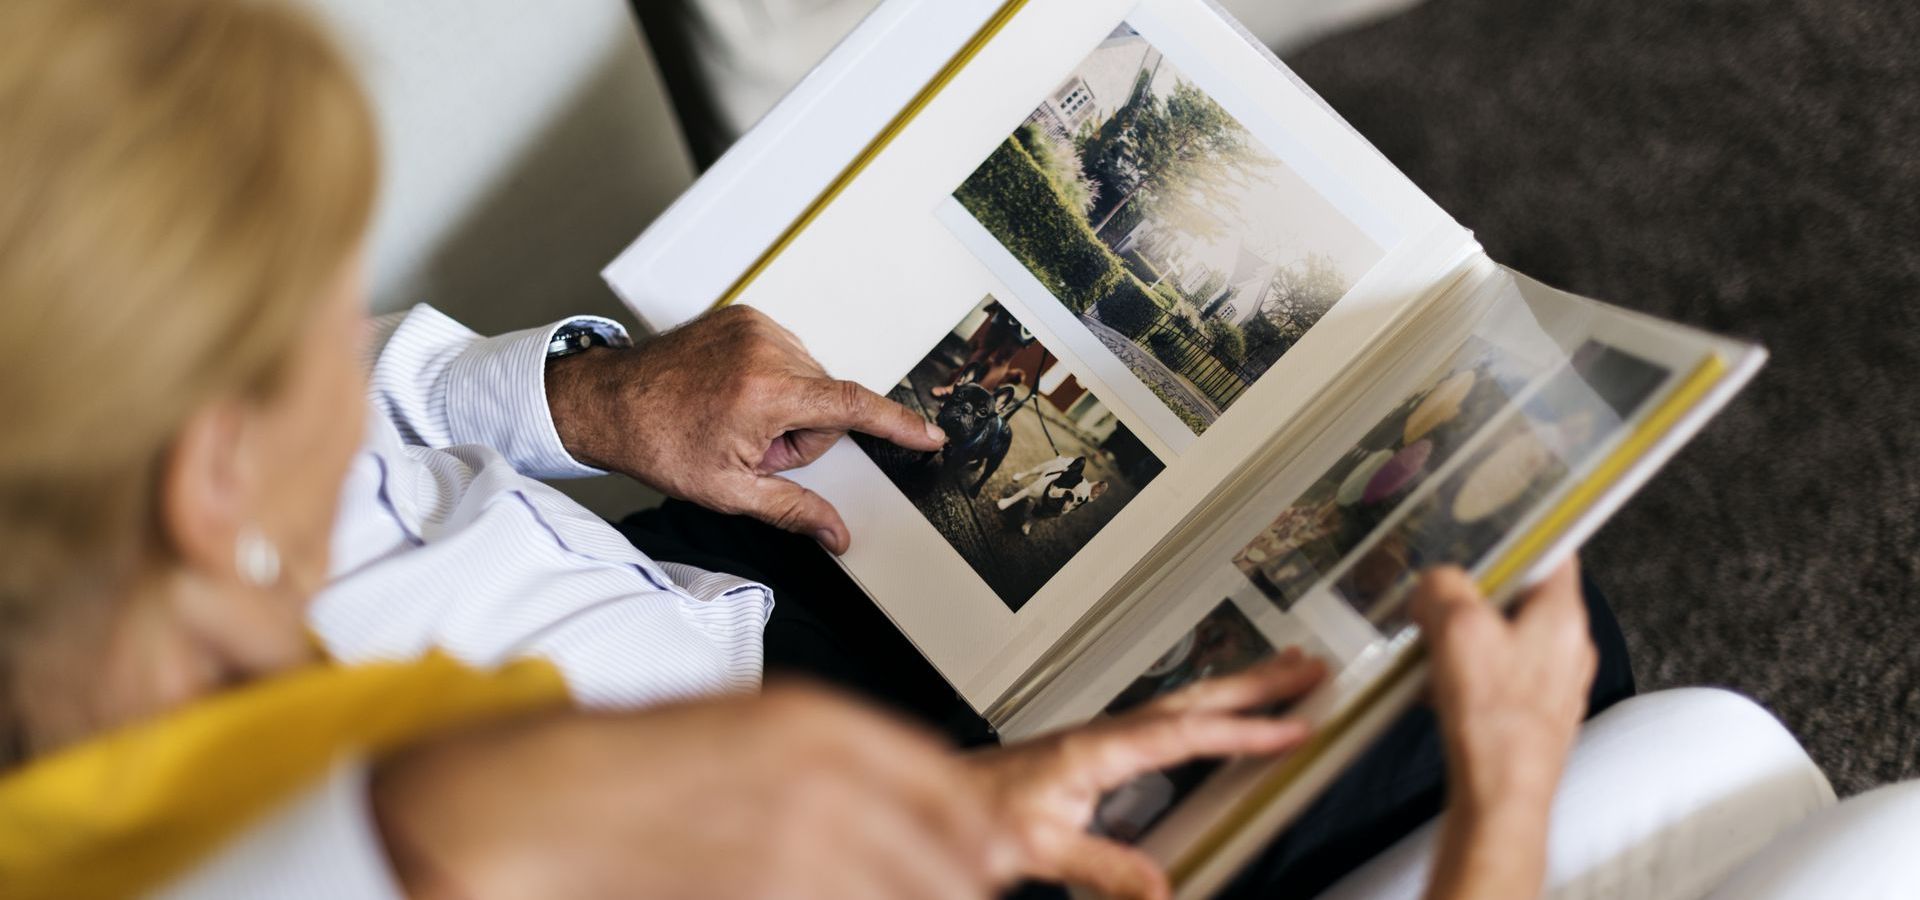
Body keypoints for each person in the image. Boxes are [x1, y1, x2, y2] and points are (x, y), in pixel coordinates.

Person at [0, 1, 1681, 898]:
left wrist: (581, 404)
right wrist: (1508, 814)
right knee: (1553, 687)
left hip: (725, 633)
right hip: (766, 767)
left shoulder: (243, 744)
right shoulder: (463, 805)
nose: (367, 338)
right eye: (321, 314)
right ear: (209, 475)